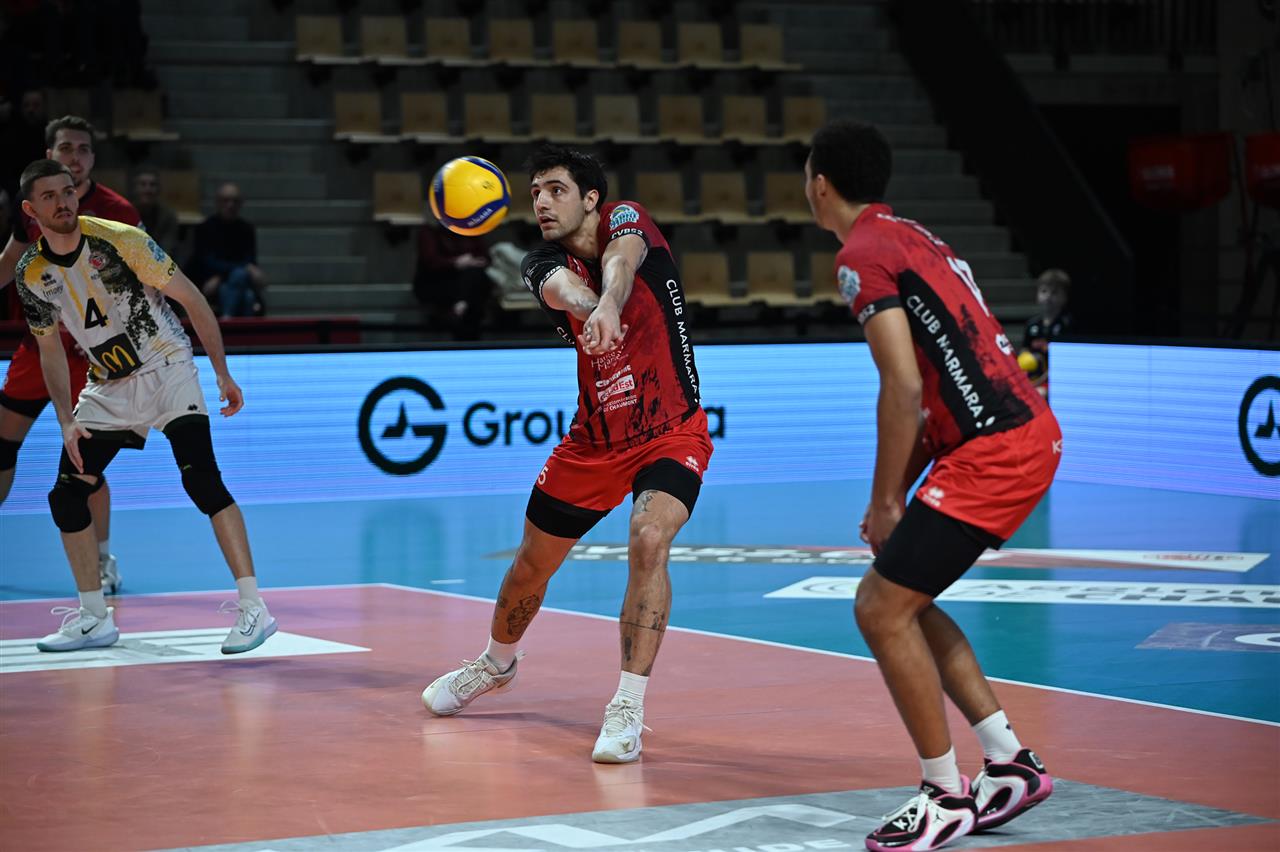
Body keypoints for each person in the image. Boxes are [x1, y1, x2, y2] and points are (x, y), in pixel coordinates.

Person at [804, 120, 1062, 852]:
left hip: (994, 449)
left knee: (878, 608)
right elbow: (929, 390)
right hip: (1013, 435)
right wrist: (895, 492)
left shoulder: (860, 255)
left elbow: (903, 387)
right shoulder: (911, 235)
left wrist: (888, 499)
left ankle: (944, 795)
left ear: (820, 185)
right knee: (905, 602)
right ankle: (1009, 762)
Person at [421, 144, 713, 764]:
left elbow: (622, 259)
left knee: (648, 539)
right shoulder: (541, 260)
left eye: (555, 190)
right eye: (534, 193)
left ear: (591, 198)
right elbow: (564, 292)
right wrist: (590, 307)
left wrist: (609, 302)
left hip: (671, 430)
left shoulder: (627, 219)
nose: (542, 203)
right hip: (592, 444)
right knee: (530, 566)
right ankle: (496, 664)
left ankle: (628, 705)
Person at [13, 158, 276, 655]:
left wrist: (222, 372)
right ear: (31, 210)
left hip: (166, 365)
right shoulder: (33, 272)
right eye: (49, 196)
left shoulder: (121, 240)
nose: (63, 202)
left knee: (202, 480)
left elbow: (193, 300)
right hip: (109, 385)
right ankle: (94, 618)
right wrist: (66, 419)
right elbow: (50, 350)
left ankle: (254, 608)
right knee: (66, 496)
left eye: (67, 191)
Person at [0, 114, 139, 595]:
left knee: (84, 465)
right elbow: (11, 258)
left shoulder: (117, 212)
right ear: (50, 155)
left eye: (82, 149)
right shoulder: (33, 206)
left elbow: (139, 285)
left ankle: (102, 561)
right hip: (39, 347)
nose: (74, 157)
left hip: (94, 357)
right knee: (1, 446)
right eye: (65, 148)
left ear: (92, 158)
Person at [189, 183, 264, 318]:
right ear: (217, 203)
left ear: (241, 204)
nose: (230, 205)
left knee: (243, 287)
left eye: (235, 201)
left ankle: (227, 319)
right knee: (247, 296)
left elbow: (250, 259)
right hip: (211, 282)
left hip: (233, 281)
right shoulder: (205, 228)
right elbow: (207, 262)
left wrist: (225, 274)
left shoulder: (246, 229)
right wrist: (239, 269)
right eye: (226, 200)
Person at [412, 223, 493, 340]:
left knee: (476, 276)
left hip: (467, 282)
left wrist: (474, 262)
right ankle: (462, 306)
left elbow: (485, 257)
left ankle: (461, 305)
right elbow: (431, 262)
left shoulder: (470, 228)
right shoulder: (429, 230)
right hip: (437, 281)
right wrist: (456, 262)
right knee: (473, 297)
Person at [1019, 268, 1072, 398]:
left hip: (1056, 380)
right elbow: (1024, 351)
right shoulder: (1032, 325)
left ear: (1064, 297)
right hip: (1033, 378)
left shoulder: (1067, 326)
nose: (1048, 296)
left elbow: (1063, 364)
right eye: (1044, 291)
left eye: (1054, 293)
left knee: (1039, 394)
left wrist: (1036, 384)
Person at [131, 168, 180, 259]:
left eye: (152, 185)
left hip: (159, 263)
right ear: (135, 189)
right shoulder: (125, 213)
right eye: (143, 184)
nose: (148, 189)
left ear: (158, 190)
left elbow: (166, 249)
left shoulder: (168, 217)